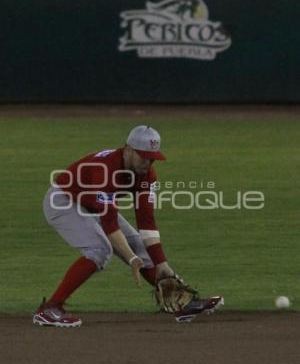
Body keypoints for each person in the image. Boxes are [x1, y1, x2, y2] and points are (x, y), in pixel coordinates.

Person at [33, 125, 223, 327]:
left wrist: (161, 263)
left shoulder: (147, 175)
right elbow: (109, 223)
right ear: (129, 150)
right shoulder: (106, 169)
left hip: (93, 205)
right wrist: (131, 258)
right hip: (64, 201)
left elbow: (146, 220)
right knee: (99, 250)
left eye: (153, 157)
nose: (148, 162)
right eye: (144, 156)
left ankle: (182, 304)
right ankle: (50, 308)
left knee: (143, 250)